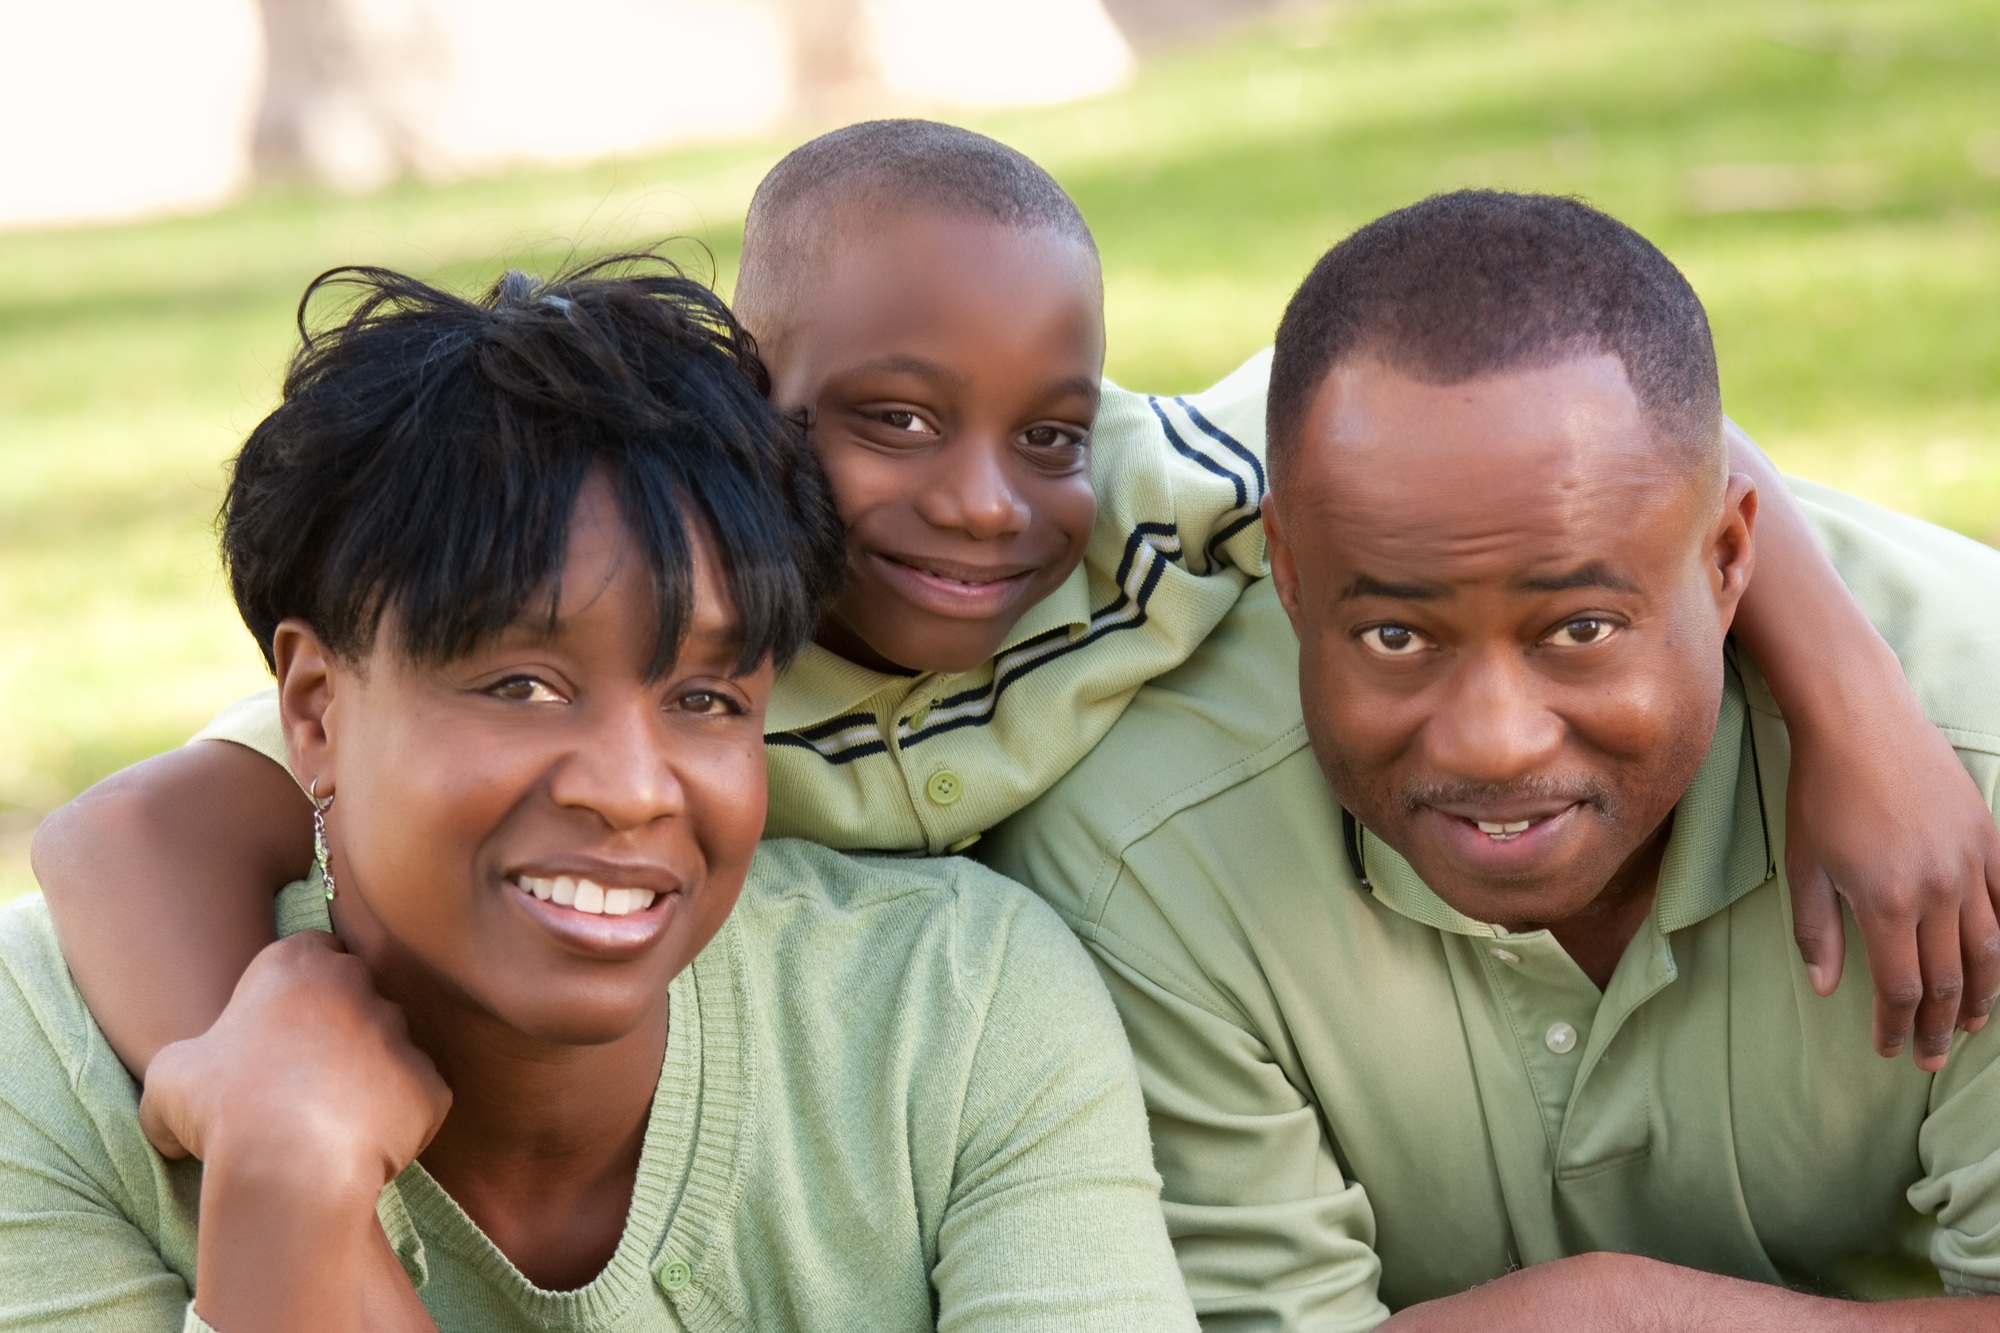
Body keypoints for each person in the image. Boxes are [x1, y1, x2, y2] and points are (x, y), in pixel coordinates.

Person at [31, 122, 2000, 1084]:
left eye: (1041, 428)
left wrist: (1859, 717)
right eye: (886, 420)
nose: (980, 503)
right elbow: (122, 833)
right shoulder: (667, 606)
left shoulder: (1162, 489)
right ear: (742, 391)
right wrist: (243, 1062)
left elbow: (1603, 435)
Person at [0, 261, 1196, 1331]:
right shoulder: (44, 1063)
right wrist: (283, 1196)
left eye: (706, 698)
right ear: (316, 709)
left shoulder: (956, 1013)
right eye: (520, 684)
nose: (630, 791)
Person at [982, 191, 2000, 1329]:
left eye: (1577, 630)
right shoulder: (1141, 853)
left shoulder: (1975, 766)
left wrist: (1626, 1317)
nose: (1491, 741)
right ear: (1290, 572)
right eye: (1395, 636)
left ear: (1726, 564)